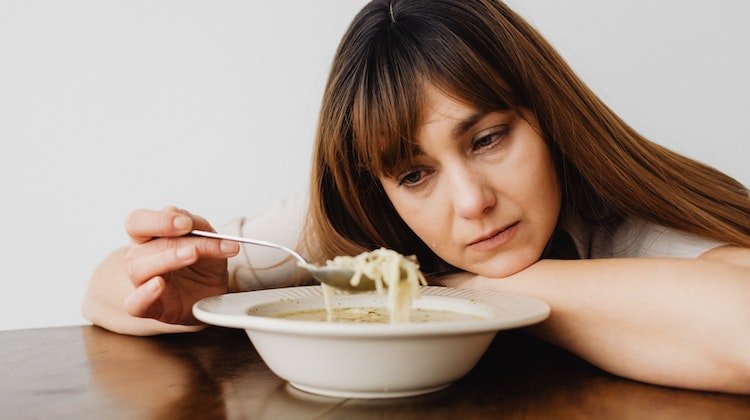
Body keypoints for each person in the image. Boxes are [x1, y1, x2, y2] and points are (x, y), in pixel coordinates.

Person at [83, 0, 750, 393]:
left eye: (488, 138)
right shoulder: (357, 225)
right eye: (413, 175)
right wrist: (161, 289)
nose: (469, 202)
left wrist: (457, 288)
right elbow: (109, 291)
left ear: (546, 115)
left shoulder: (620, 216)